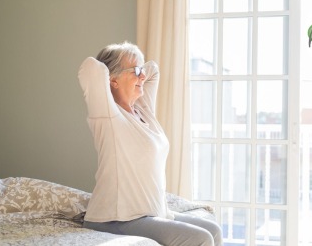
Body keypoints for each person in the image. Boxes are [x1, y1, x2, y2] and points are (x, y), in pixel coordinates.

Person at [78, 41, 223, 246]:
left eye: (141, 71)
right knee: (201, 239)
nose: (142, 76)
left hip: (154, 211)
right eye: (136, 71)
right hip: (116, 218)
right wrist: (116, 66)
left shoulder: (142, 111)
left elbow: (153, 69)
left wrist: (134, 66)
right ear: (112, 80)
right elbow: (91, 68)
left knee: (214, 231)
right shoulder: (108, 116)